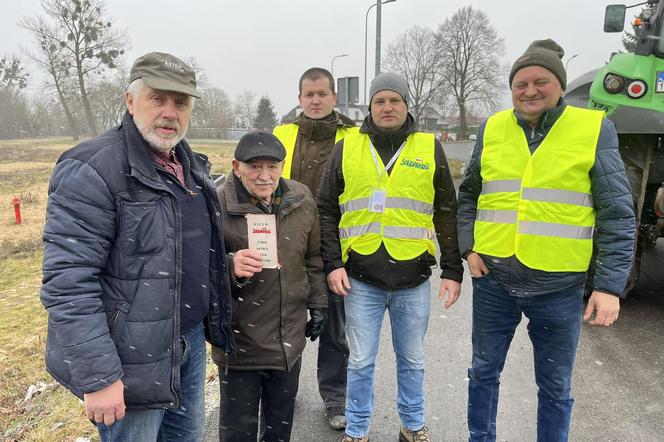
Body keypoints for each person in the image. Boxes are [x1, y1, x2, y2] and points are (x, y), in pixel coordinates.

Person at [40, 52, 235, 442]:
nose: (170, 112)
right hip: (128, 358)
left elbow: (185, 253)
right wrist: (100, 377)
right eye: (157, 98)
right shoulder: (93, 168)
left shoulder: (191, 168)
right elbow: (68, 283)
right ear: (130, 102)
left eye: (180, 102)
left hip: (189, 344)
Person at [457, 39, 636, 442]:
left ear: (559, 85)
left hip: (558, 286)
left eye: (541, 81)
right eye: (521, 83)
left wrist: (608, 287)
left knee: (555, 388)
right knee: (482, 373)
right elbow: (468, 194)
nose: (530, 90)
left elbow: (617, 214)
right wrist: (468, 247)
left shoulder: (592, 129)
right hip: (495, 282)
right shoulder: (492, 128)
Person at [317, 72, 464, 442]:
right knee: (361, 362)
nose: (387, 107)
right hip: (361, 277)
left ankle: (412, 426)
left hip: (412, 279)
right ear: (370, 106)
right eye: (379, 101)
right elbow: (326, 210)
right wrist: (333, 264)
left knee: (412, 361)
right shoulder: (347, 147)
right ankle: (357, 429)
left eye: (394, 100)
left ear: (406, 105)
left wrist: (452, 269)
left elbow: (447, 210)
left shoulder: (428, 147)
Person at [213, 131, 327, 442]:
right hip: (240, 343)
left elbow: (313, 258)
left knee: (279, 430)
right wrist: (229, 265)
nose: (265, 176)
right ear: (237, 166)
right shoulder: (216, 204)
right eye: (255, 167)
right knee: (239, 432)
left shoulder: (301, 200)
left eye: (273, 167)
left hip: (288, 343)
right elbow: (196, 267)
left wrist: (318, 304)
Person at [273, 67, 356, 430]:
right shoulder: (281, 134)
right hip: (289, 243)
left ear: (334, 97)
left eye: (323, 94)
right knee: (285, 322)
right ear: (299, 99)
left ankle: (335, 397)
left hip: (335, 246)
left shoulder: (353, 138)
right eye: (309, 95)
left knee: (336, 327)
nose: (316, 100)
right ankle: (281, 392)